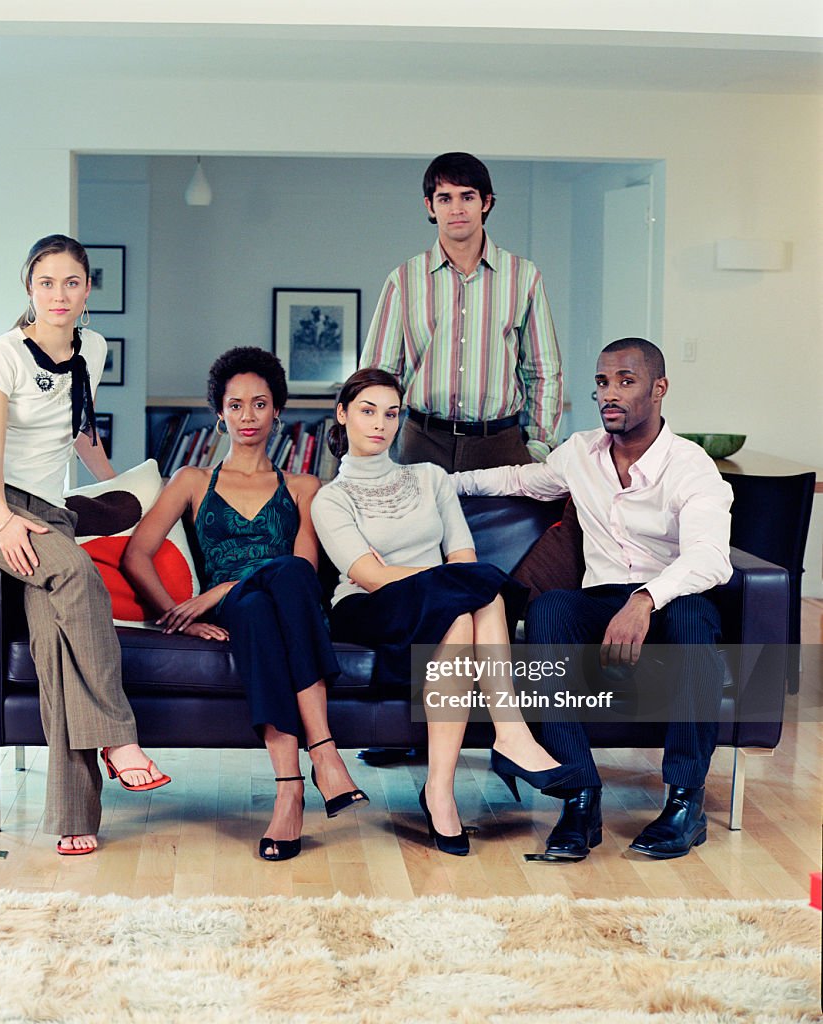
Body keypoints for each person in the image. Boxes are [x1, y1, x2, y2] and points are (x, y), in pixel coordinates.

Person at [0, 234, 171, 857]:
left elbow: (82, 435)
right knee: (74, 573)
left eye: (71, 283)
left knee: (56, 639)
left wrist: (123, 489)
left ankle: (74, 816)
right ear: (30, 289)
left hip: (45, 508)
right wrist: (4, 521)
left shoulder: (93, 347)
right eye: (46, 283)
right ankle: (120, 736)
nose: (59, 295)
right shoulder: (3, 353)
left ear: (88, 289)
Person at [453, 338, 733, 861]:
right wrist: (436, 483)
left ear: (659, 389)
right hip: (600, 599)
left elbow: (711, 559)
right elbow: (519, 479)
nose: (610, 393)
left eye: (626, 381)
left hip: (673, 598)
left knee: (696, 617)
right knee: (549, 609)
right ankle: (580, 795)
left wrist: (646, 600)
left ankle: (685, 800)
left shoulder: (691, 467)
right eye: (603, 383)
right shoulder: (580, 453)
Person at [310, 368, 577, 856]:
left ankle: (440, 789)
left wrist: (436, 579)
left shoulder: (430, 478)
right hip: (368, 608)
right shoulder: (331, 497)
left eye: (391, 414)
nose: (380, 425)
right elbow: (368, 575)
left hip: (441, 601)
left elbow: (463, 556)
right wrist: (434, 577)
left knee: (467, 604)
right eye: (367, 411)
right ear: (343, 414)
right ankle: (511, 734)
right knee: (478, 593)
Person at [120, 347, 368, 863]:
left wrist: (218, 588)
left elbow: (302, 573)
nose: (248, 417)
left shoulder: (303, 487)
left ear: (277, 410)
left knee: (277, 592)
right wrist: (182, 618)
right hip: (232, 612)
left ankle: (290, 789)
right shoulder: (192, 480)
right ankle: (324, 757)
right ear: (221, 414)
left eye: (259, 404)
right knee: (253, 605)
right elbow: (136, 554)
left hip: (285, 608)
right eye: (236, 405)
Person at [361, 151, 563, 474]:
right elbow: (377, 374)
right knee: (418, 528)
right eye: (445, 198)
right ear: (430, 206)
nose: (456, 209)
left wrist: (539, 447)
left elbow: (543, 371)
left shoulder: (524, 276)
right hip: (420, 443)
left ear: (485, 202)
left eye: (467, 196)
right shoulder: (403, 280)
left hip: (500, 445)